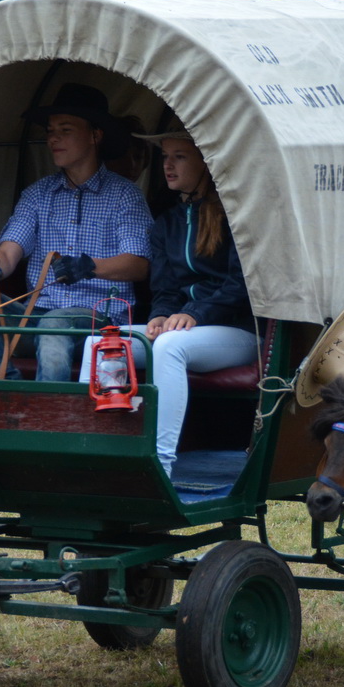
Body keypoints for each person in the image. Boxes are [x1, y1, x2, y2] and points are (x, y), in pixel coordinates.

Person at [71, 131, 256, 476]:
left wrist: (193, 314)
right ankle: (97, 455)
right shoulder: (167, 223)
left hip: (239, 332)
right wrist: (159, 315)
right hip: (187, 326)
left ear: (207, 162)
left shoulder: (236, 218)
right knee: (101, 343)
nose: (168, 165)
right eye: (165, 157)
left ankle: (160, 466)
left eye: (180, 157)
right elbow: (166, 289)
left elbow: (241, 286)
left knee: (169, 346)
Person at [0, 83, 150, 380]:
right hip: (36, 318)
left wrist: (88, 267)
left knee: (55, 322)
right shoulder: (37, 194)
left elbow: (138, 264)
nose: (53, 138)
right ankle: (2, 388)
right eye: (50, 131)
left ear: (95, 135)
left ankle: (48, 406)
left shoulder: (125, 196)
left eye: (65, 130)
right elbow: (9, 251)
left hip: (99, 322)